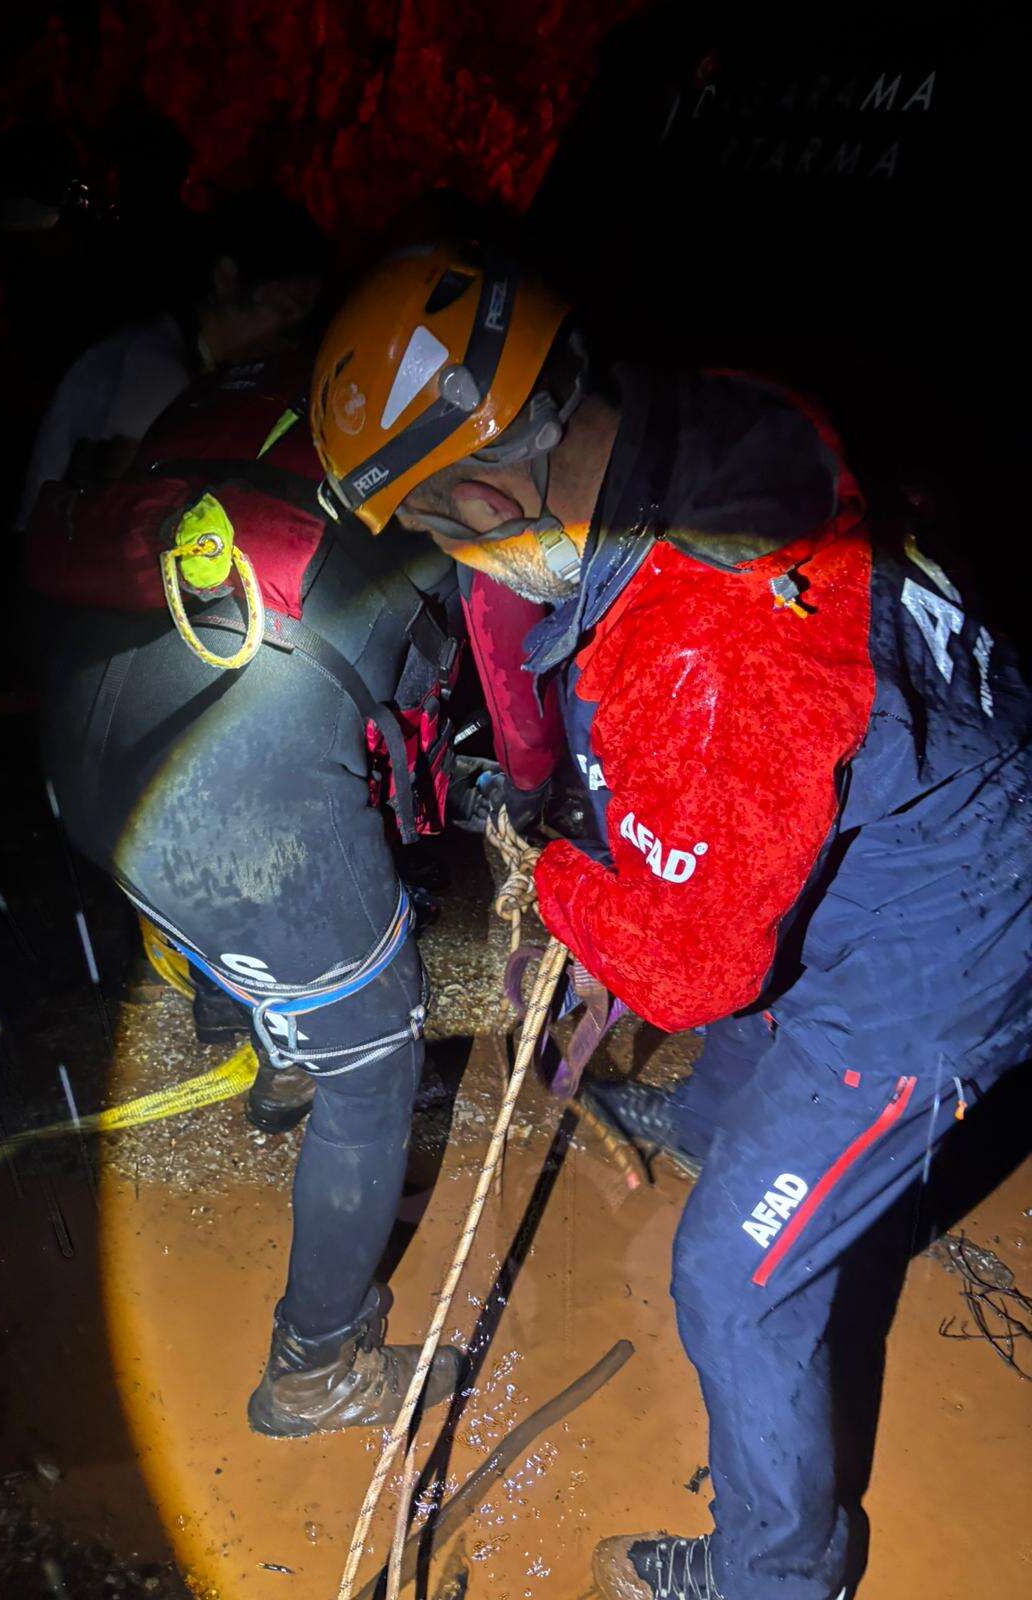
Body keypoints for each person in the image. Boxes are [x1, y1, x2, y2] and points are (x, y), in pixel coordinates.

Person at [309, 243, 1032, 1599]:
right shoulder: (716, 412)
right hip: (936, 782)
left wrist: (559, 873)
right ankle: (715, 1132)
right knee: (747, 1044)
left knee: (733, 1283)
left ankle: (780, 1572)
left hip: (956, 926)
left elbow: (692, 966)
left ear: (479, 495)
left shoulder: (705, 649)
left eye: (438, 530)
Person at [28, 349, 562, 1438]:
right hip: (230, 779)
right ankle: (317, 1369)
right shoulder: (461, 461)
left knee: (238, 917)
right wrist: (540, 806)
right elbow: (517, 708)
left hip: (81, 746)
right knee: (376, 1052)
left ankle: (281, 1070)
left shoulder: (251, 391)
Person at [15, 193, 325, 528]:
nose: (287, 338)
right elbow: (120, 504)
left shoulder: (175, 353)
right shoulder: (158, 369)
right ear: (226, 279)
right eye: (284, 311)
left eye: (299, 324)